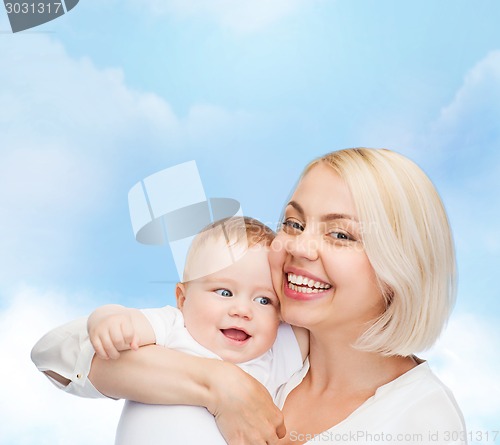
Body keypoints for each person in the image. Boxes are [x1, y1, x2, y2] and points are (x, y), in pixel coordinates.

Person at [32, 148, 466, 445]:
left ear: (401, 266)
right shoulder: (259, 335)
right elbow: (59, 355)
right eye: (294, 223)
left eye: (340, 234)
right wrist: (221, 385)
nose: (298, 247)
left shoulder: (423, 421)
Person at [32, 216, 308, 445]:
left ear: (281, 316)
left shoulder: (271, 356)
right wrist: (106, 318)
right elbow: (121, 324)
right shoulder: (173, 327)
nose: (242, 310)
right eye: (224, 292)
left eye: (264, 300)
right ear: (183, 299)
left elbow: (327, 326)